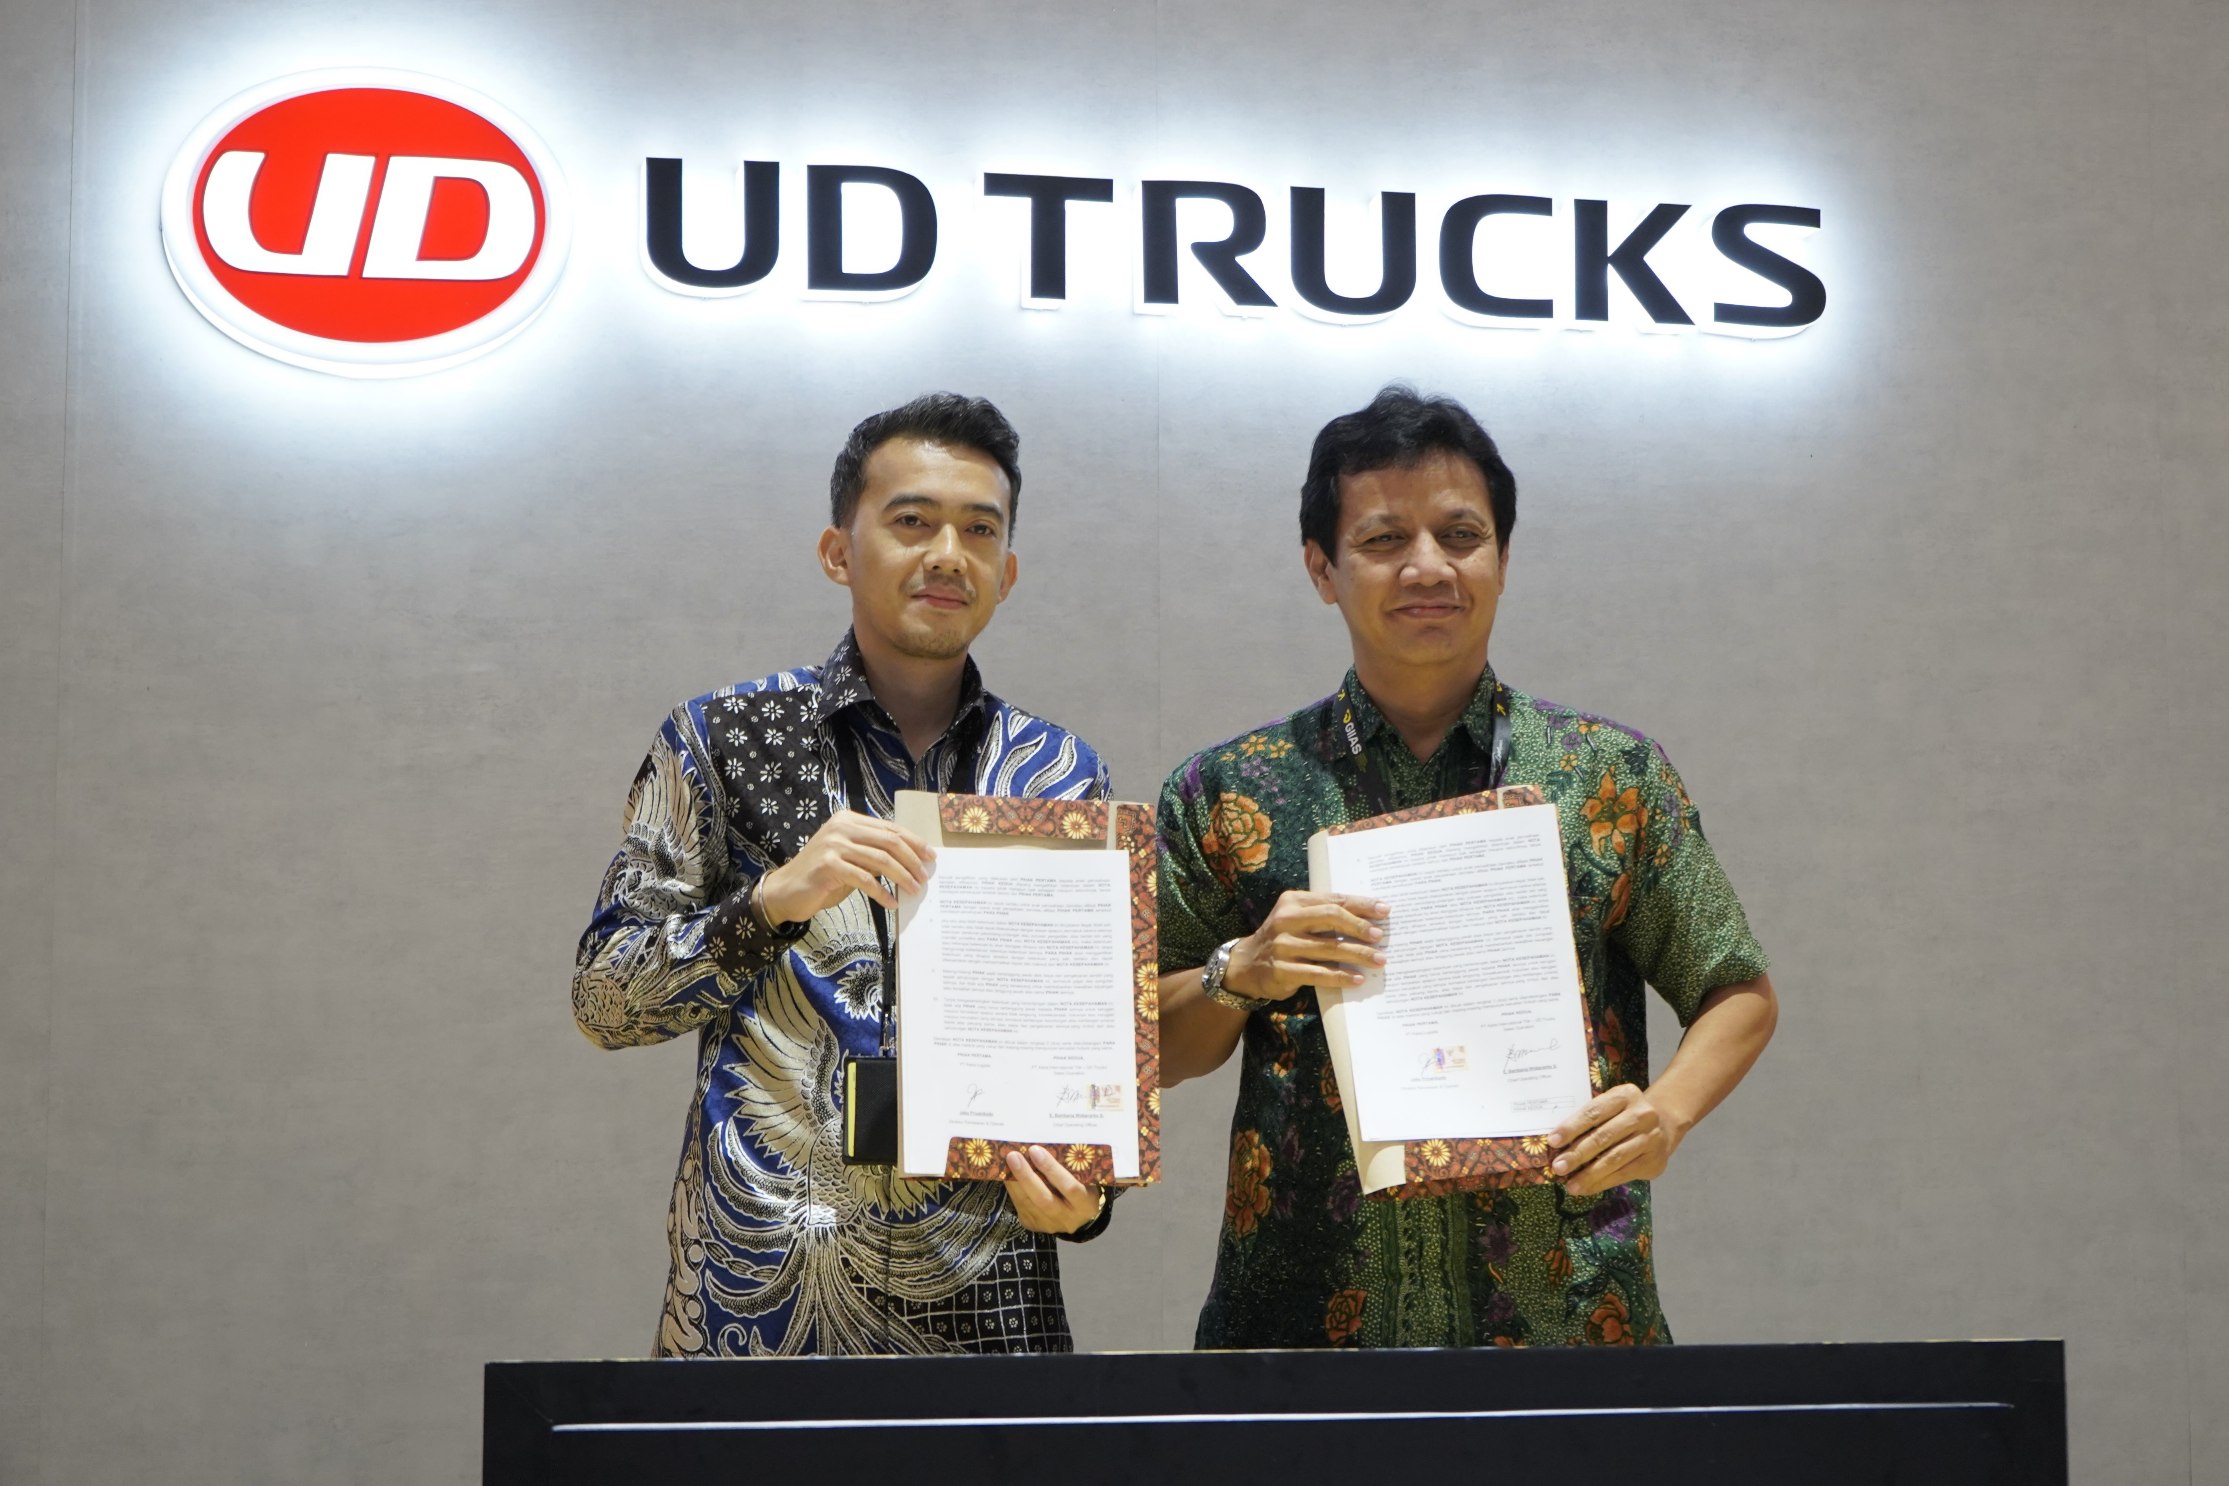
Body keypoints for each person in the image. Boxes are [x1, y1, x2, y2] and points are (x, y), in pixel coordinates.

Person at [1155, 385, 1778, 1349]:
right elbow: (1150, 1046)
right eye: (1382, 540)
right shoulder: (1229, 788)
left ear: (1502, 557)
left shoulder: (1607, 775)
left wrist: (1666, 1113)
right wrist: (1242, 970)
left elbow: (1736, 988)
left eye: (1460, 535)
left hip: (1567, 1310)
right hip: (1300, 1323)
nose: (1427, 567)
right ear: (1321, 568)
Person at [572, 393, 1113, 1358]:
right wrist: (772, 902)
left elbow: (1085, 1045)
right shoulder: (723, 738)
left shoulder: (1059, 777)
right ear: (837, 552)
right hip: (763, 1306)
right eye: (911, 521)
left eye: (979, 530)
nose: (947, 553)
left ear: (1006, 572)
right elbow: (605, 1002)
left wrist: (1086, 1196)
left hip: (990, 1309)